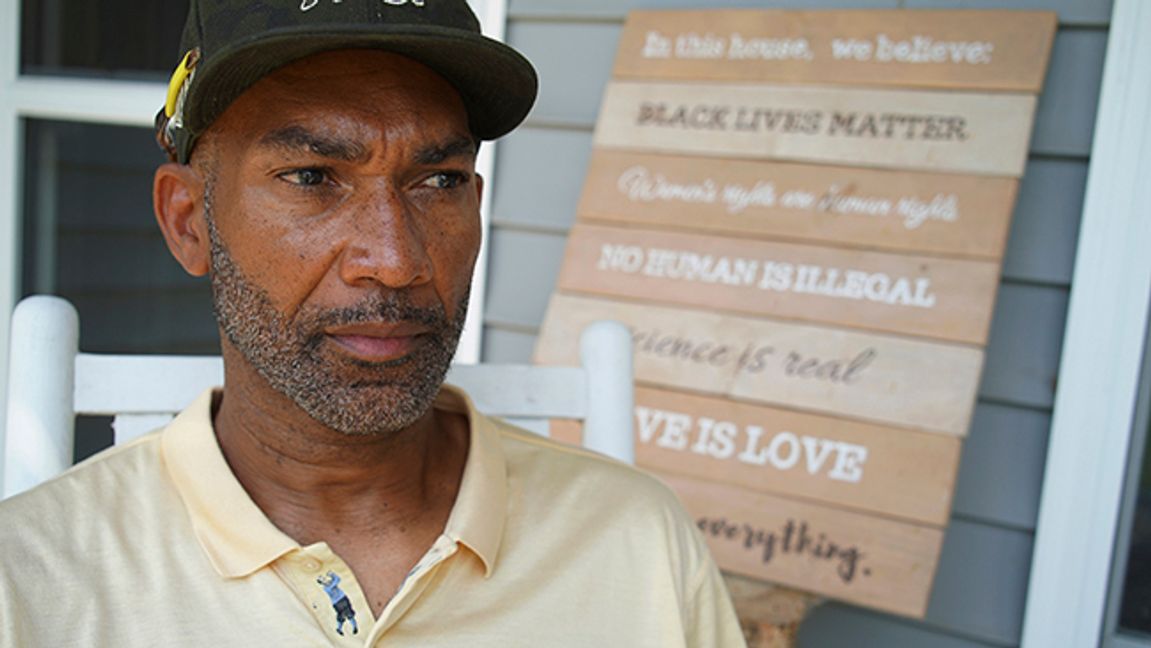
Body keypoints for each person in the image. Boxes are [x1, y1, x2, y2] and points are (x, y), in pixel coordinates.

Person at [0, 1, 744, 646]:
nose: (393, 261)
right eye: (312, 178)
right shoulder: (33, 579)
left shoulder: (635, 539)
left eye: (437, 181)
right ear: (188, 221)